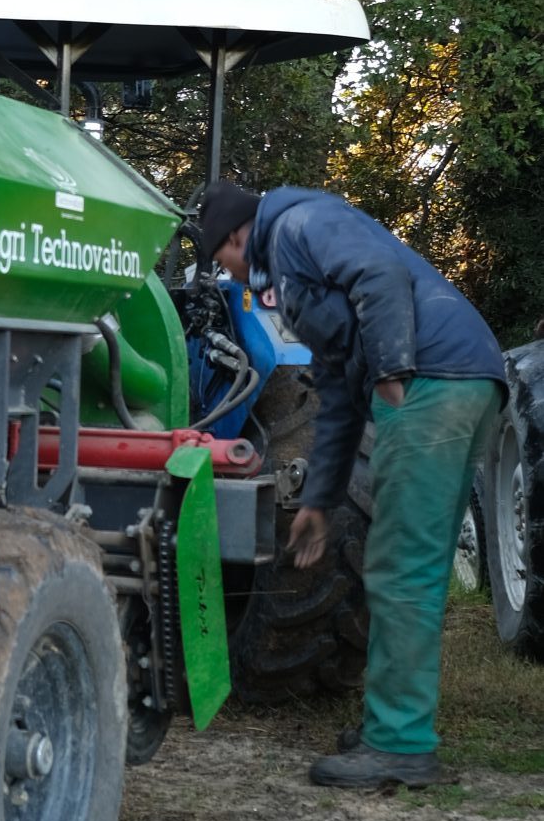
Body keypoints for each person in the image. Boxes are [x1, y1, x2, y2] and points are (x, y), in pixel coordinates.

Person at [197, 178, 506, 788]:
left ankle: (400, 746)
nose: (230, 278)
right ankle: (394, 726)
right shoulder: (289, 268)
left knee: (399, 568)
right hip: (460, 380)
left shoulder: (295, 225)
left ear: (236, 236)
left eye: (223, 261)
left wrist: (391, 369)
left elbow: (378, 273)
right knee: (413, 566)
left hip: (432, 383)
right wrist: (320, 501)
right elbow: (336, 395)